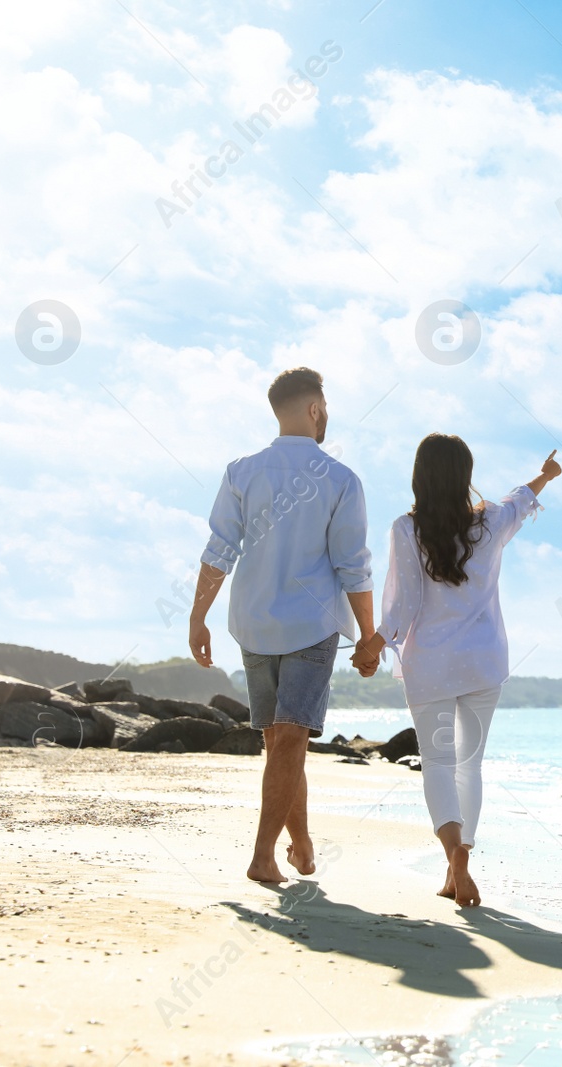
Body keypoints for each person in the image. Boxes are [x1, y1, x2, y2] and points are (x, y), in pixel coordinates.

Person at [353, 435, 562, 907]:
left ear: (418, 476)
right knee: (471, 764)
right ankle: (462, 856)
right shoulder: (490, 522)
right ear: (465, 476)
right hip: (484, 663)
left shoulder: (406, 529)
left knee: (439, 765)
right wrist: (546, 475)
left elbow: (402, 605)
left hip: (430, 666)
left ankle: (453, 858)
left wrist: (373, 645)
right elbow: (521, 498)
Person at [187, 367, 375, 884]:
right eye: (326, 406)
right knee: (286, 742)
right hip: (312, 626)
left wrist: (198, 616)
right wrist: (367, 636)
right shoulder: (342, 479)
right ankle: (263, 856)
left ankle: (301, 844)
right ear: (315, 409)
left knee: (284, 742)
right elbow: (352, 565)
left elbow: (218, 550)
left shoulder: (241, 471)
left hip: (252, 621)